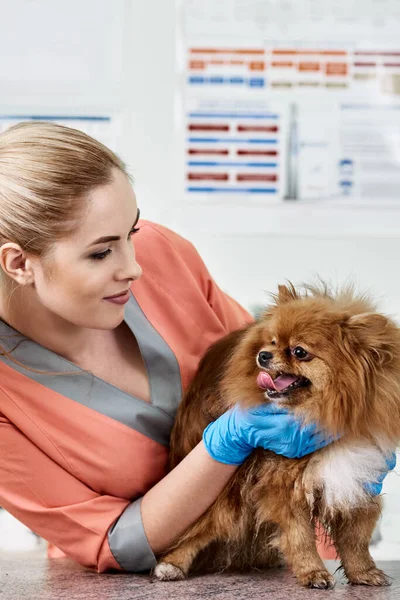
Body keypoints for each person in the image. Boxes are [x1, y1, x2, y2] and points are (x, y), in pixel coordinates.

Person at [0, 122, 394, 573]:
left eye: (131, 231)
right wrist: (223, 443)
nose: (135, 268)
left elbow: (269, 377)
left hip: (280, 553)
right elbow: (110, 541)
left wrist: (360, 430)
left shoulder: (165, 253)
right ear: (19, 264)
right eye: (100, 253)